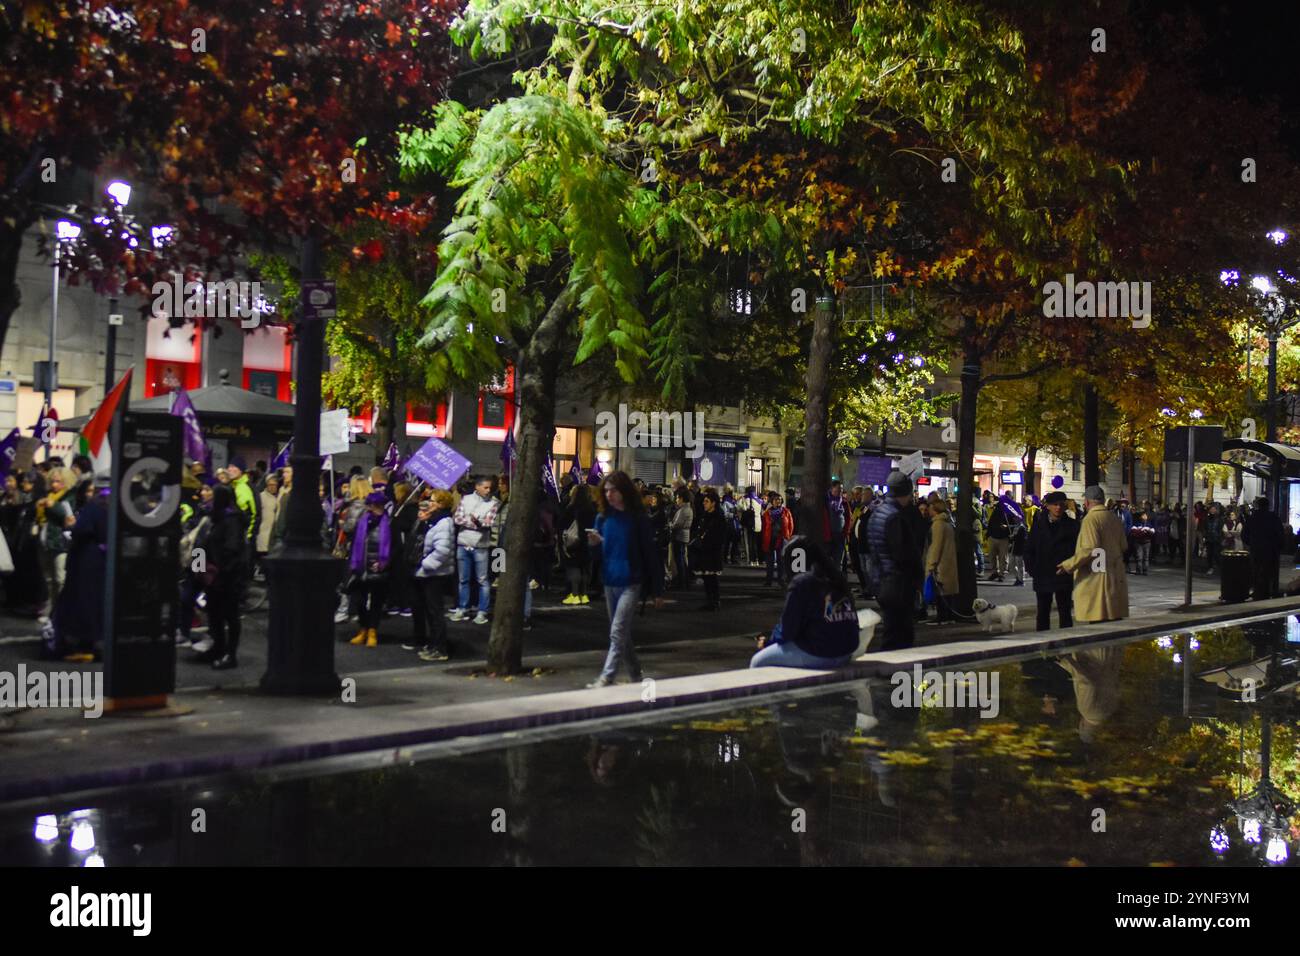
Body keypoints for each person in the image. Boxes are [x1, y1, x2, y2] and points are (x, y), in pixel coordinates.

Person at [586, 471, 664, 688]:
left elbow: (650, 554)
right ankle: (636, 675)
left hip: (631, 580)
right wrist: (594, 545)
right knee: (621, 632)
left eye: (614, 490)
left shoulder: (637, 519)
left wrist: (658, 590)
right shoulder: (602, 518)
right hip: (610, 580)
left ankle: (607, 676)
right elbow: (598, 556)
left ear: (624, 492)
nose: (609, 494)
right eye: (606, 490)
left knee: (617, 630)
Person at [751, 535, 859, 669]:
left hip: (823, 652)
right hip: (847, 650)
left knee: (758, 661)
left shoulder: (802, 582)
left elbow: (787, 630)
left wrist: (767, 642)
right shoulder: (837, 578)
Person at [863, 471, 924, 651]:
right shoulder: (895, 517)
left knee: (892, 629)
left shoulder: (877, 513)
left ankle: (892, 673)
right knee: (899, 634)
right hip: (897, 583)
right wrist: (915, 577)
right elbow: (902, 553)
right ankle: (895, 675)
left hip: (881, 579)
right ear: (903, 493)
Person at [1057, 485, 1129, 624]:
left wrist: (1068, 565)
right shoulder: (1114, 518)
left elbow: (1090, 548)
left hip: (1096, 578)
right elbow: (1124, 546)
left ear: (1087, 502)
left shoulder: (1090, 519)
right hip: (1115, 577)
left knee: (1099, 627)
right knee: (1113, 626)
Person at [202, 483, 248, 669]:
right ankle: (219, 647)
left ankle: (230, 654)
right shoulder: (219, 518)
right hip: (216, 576)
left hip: (227, 578)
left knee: (229, 615)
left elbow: (231, 550)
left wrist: (218, 574)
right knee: (215, 614)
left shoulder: (230, 520)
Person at [410, 492, 456, 661]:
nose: (430, 503)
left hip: (435, 573)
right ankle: (434, 644)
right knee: (431, 611)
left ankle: (440, 648)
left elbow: (442, 550)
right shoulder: (434, 519)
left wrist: (425, 564)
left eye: (434, 500)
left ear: (441, 504)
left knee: (435, 611)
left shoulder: (444, 522)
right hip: (430, 572)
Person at [1025, 491, 1079, 631]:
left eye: (1061, 505)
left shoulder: (1073, 525)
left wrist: (1070, 567)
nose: (1058, 508)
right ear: (1048, 506)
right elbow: (1029, 549)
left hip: (1063, 573)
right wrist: (1033, 569)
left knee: (1065, 613)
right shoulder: (1039, 525)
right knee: (1043, 613)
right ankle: (1043, 647)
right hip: (1043, 573)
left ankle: (1066, 645)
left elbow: (1077, 550)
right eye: (1055, 505)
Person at [451, 474, 499, 624]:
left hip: (482, 546)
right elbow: (457, 518)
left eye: (489, 488)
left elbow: (488, 523)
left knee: (482, 579)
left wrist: (475, 522)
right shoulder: (466, 499)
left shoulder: (494, 503)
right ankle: (462, 608)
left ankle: (482, 611)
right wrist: (476, 523)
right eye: (485, 487)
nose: (488, 490)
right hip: (464, 543)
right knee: (463, 579)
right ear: (477, 487)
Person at [348, 491, 393, 646]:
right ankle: (363, 629)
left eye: (371, 505)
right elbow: (354, 541)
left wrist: (384, 562)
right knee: (359, 600)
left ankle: (372, 630)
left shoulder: (389, 522)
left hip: (379, 567)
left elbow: (393, 546)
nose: (369, 508)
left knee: (376, 601)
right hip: (361, 565)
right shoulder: (363, 521)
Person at [560, 482, 597, 604]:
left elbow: (562, 524)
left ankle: (574, 594)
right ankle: (584, 594)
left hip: (574, 541)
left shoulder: (570, 509)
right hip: (588, 541)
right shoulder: (591, 509)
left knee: (573, 567)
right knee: (585, 568)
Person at [691, 488, 727, 611]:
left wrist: (707, 543)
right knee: (706, 578)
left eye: (706, 501)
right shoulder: (705, 516)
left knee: (712, 578)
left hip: (712, 552)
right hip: (704, 551)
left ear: (713, 503)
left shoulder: (719, 517)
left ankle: (715, 601)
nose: (704, 503)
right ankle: (710, 601)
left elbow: (720, 537)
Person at [1242, 495, 1284, 601]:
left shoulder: (1253, 518)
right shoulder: (1274, 518)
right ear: (1268, 506)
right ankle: (1270, 590)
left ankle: (1257, 590)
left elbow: (1244, 534)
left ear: (1258, 505)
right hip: (1270, 549)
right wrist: (1278, 546)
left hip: (1256, 548)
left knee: (1256, 570)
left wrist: (1251, 543)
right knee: (1270, 571)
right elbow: (1280, 534)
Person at [924, 497, 958, 622]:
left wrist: (931, 565)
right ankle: (948, 616)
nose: (928, 510)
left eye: (931, 508)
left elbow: (936, 547)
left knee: (940, 591)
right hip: (948, 562)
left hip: (941, 564)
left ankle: (942, 616)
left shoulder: (937, 525)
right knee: (948, 593)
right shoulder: (947, 523)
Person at [761, 491, 795, 586]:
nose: (778, 501)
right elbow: (764, 527)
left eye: (780, 500)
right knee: (770, 561)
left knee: (781, 560)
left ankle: (781, 580)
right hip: (770, 538)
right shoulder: (767, 513)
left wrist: (787, 536)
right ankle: (769, 580)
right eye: (776, 500)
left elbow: (791, 525)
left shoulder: (786, 511)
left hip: (782, 538)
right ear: (772, 501)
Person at [255, 472, 281, 577]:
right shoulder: (261, 497)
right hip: (263, 532)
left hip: (273, 533)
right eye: (270, 485)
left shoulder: (278, 497)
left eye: (274, 485)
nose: (272, 487)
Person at [669, 486, 694, 589]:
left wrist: (670, 525)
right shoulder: (688, 509)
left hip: (679, 537)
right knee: (682, 559)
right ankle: (684, 581)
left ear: (682, 499)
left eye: (678, 498)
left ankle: (681, 582)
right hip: (684, 536)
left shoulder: (683, 510)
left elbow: (677, 524)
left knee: (679, 560)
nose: (676, 499)